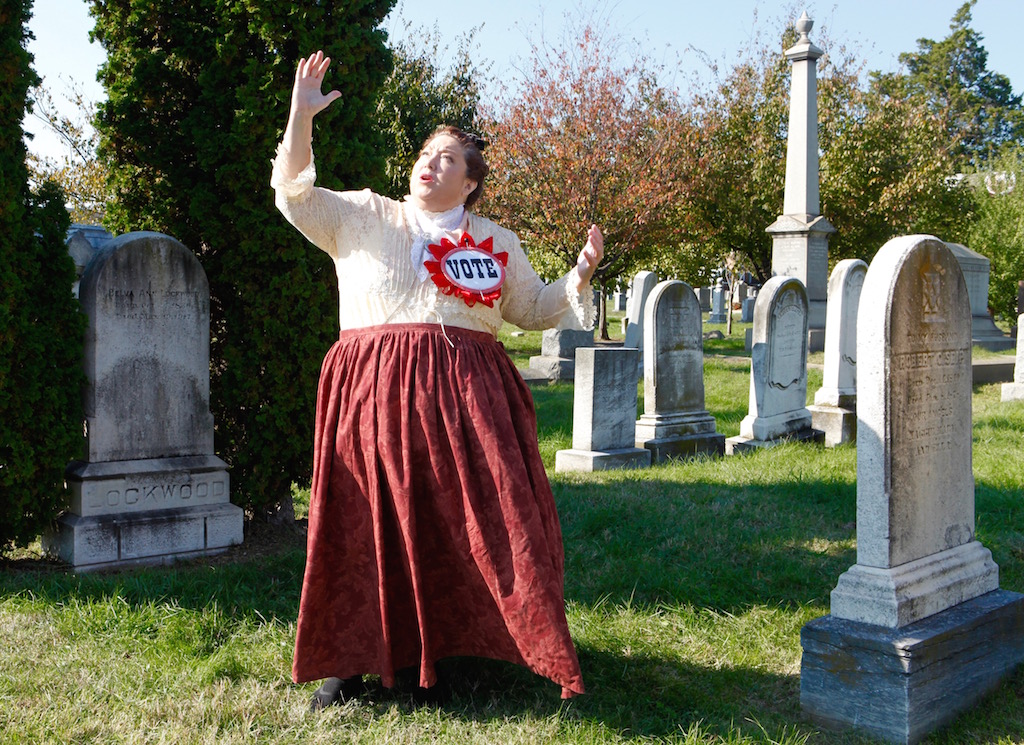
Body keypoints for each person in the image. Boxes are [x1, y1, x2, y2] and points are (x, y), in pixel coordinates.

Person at [272, 51, 602, 708]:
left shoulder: (495, 240)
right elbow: (295, 195)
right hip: (371, 396)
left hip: (467, 403)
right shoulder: (363, 214)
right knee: (365, 523)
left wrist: (578, 277)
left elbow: (529, 310)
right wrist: (299, 117)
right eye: (428, 153)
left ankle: (442, 654)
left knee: (460, 524)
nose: (432, 163)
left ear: (471, 183)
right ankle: (349, 662)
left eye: (450, 158)